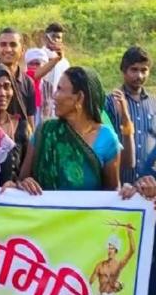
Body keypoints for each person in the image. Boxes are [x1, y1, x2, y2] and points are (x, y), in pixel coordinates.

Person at [15, 67, 121, 192]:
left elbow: (111, 193)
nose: (54, 96)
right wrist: (25, 183)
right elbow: (22, 180)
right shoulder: (44, 131)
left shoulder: (107, 139)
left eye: (59, 89)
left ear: (79, 97)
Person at [105, 47, 154, 185]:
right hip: (119, 185)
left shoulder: (153, 104)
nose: (139, 76)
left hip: (147, 186)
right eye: (134, 70)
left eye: (144, 70)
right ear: (123, 70)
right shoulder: (110, 102)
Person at [0, 64, 31, 181]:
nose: (2, 93)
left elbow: (28, 172)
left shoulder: (22, 126)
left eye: (7, 86)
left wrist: (19, 184)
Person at [0, 28, 36, 129]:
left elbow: (30, 119)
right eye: (3, 44)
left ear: (22, 50)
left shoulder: (28, 83)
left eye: (13, 45)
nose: (8, 49)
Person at [33, 22, 70, 119]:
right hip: (39, 107)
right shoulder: (37, 56)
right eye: (53, 37)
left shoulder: (64, 62)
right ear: (46, 38)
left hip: (57, 106)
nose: (56, 40)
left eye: (59, 37)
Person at [90, 225, 135, 295]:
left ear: (116, 250)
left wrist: (130, 233)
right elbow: (90, 282)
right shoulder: (100, 265)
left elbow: (132, 251)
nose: (110, 251)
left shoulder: (119, 265)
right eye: (109, 248)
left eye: (112, 249)